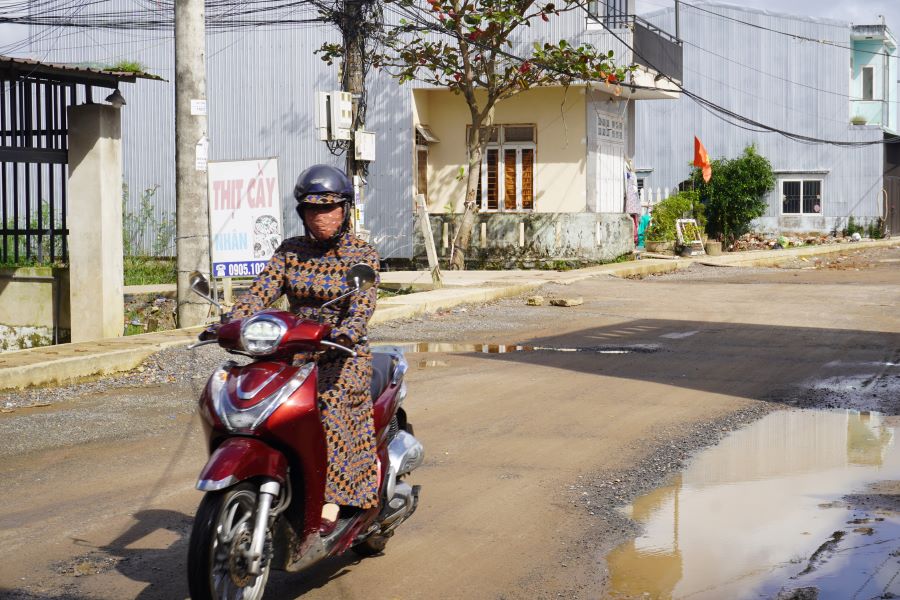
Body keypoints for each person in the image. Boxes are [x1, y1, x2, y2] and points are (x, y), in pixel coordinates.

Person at [226, 164, 380, 531]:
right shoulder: (290, 251)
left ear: (344, 210)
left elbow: (361, 307)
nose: (321, 216)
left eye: (329, 208)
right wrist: (232, 320)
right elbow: (261, 291)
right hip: (293, 350)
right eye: (313, 208)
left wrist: (345, 333)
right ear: (302, 212)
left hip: (341, 354)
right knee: (253, 400)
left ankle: (335, 498)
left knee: (329, 409)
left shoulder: (361, 255)